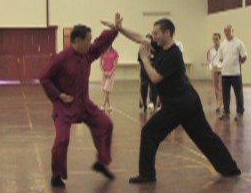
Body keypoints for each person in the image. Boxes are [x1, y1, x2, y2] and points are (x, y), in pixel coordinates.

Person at [101, 18, 241, 184]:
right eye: (153, 34)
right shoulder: (160, 46)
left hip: (181, 103)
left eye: (156, 33)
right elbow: (139, 37)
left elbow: (155, 78)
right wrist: (120, 28)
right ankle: (230, 168)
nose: (153, 36)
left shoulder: (174, 54)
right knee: (204, 137)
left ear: (167, 33)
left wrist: (145, 59)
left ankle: (147, 175)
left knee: (150, 132)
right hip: (183, 102)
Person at [39, 13, 122, 188]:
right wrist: (58, 96)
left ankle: (101, 162)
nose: (90, 43)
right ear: (77, 40)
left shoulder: (87, 53)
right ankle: (57, 175)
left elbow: (100, 43)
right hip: (65, 106)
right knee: (62, 140)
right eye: (88, 40)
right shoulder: (61, 58)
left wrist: (115, 29)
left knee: (106, 124)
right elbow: (44, 78)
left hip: (84, 104)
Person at [218, 25, 247, 122]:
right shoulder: (222, 44)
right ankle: (226, 112)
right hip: (225, 73)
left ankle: (240, 112)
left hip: (235, 73)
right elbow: (221, 58)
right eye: (225, 31)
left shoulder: (239, 43)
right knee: (225, 94)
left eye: (229, 30)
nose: (227, 32)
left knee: (238, 94)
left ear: (232, 31)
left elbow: (244, 56)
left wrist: (238, 62)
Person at [138, 34, 158, 113]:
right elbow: (140, 62)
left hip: (153, 72)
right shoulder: (142, 51)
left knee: (154, 88)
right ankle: (144, 105)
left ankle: (152, 102)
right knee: (143, 88)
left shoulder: (155, 51)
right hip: (144, 73)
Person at [207, 33, 223, 113]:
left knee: (222, 88)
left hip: (222, 70)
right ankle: (218, 104)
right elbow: (209, 61)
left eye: (217, 38)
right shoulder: (210, 50)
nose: (215, 40)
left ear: (219, 39)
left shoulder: (223, 48)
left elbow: (225, 59)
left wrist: (221, 66)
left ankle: (222, 104)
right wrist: (211, 68)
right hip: (214, 70)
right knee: (216, 88)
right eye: (214, 39)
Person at [100, 45, 119, 112]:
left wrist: (111, 72)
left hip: (111, 74)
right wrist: (103, 71)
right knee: (105, 91)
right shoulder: (103, 52)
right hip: (104, 73)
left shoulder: (115, 52)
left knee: (107, 89)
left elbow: (116, 64)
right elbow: (101, 63)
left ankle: (103, 105)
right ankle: (109, 105)